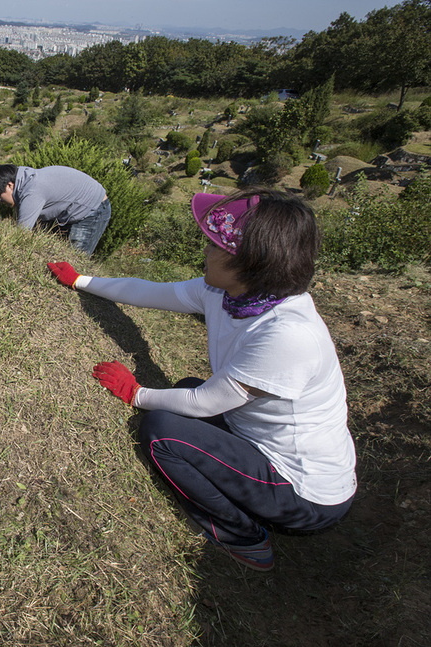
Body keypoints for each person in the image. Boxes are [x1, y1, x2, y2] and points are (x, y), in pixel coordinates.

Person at [48, 189, 356, 571]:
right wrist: (82, 280)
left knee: (163, 431)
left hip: (305, 491)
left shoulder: (287, 334)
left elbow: (205, 403)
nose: (206, 251)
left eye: (215, 245)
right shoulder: (228, 293)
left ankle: (242, 537)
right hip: (258, 441)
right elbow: (149, 292)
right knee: (184, 387)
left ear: (249, 262)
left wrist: (137, 393)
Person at [0, 164, 112, 256]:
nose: (0, 202)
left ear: (9, 185)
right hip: (75, 207)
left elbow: (20, 236)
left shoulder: (32, 191)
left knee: (75, 261)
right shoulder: (25, 178)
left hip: (92, 209)